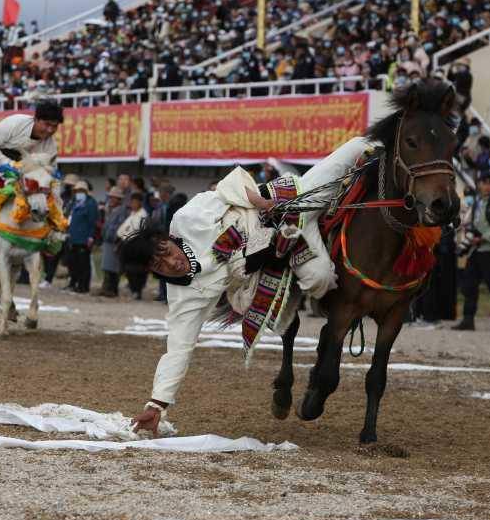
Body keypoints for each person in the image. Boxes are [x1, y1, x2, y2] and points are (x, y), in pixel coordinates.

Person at [125, 139, 362, 435]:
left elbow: (230, 184)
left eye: (167, 252)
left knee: (357, 147)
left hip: (285, 206)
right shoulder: (184, 297)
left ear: (168, 239)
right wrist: (156, 405)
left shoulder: (186, 218)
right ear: (152, 272)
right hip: (272, 260)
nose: (172, 262)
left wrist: (262, 204)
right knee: (319, 279)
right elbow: (178, 348)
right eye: (160, 265)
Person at [0, 101, 62, 239]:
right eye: (47, 124)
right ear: (36, 119)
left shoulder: (51, 146)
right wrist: (8, 165)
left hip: (21, 177)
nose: (50, 130)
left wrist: (57, 202)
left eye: (54, 126)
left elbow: (50, 172)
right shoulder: (14, 122)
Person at [454, 172, 490, 332]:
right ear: (479, 185)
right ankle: (468, 319)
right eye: (484, 183)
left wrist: (482, 238)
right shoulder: (478, 203)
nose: (486, 186)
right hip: (476, 250)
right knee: (469, 284)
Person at [66, 181, 98, 294]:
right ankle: (75, 283)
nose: (78, 193)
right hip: (73, 237)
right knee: (73, 262)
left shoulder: (91, 203)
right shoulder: (75, 203)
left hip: (84, 238)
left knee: (83, 263)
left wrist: (91, 236)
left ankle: (84, 286)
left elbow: (93, 221)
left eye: (81, 191)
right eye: (77, 191)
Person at [118, 193, 149, 299]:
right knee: (128, 269)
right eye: (132, 202)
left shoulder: (143, 215)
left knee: (138, 270)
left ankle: (137, 291)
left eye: (135, 202)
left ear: (140, 202)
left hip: (137, 246)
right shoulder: (132, 214)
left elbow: (138, 230)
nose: (133, 204)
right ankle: (133, 289)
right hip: (128, 244)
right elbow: (124, 228)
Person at [100, 186, 127, 297]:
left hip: (115, 242)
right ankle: (106, 288)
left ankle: (112, 289)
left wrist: (114, 237)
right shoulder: (110, 210)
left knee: (114, 267)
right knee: (107, 266)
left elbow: (119, 227)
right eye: (110, 197)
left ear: (119, 199)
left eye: (114, 198)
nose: (111, 199)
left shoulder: (121, 211)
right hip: (107, 241)